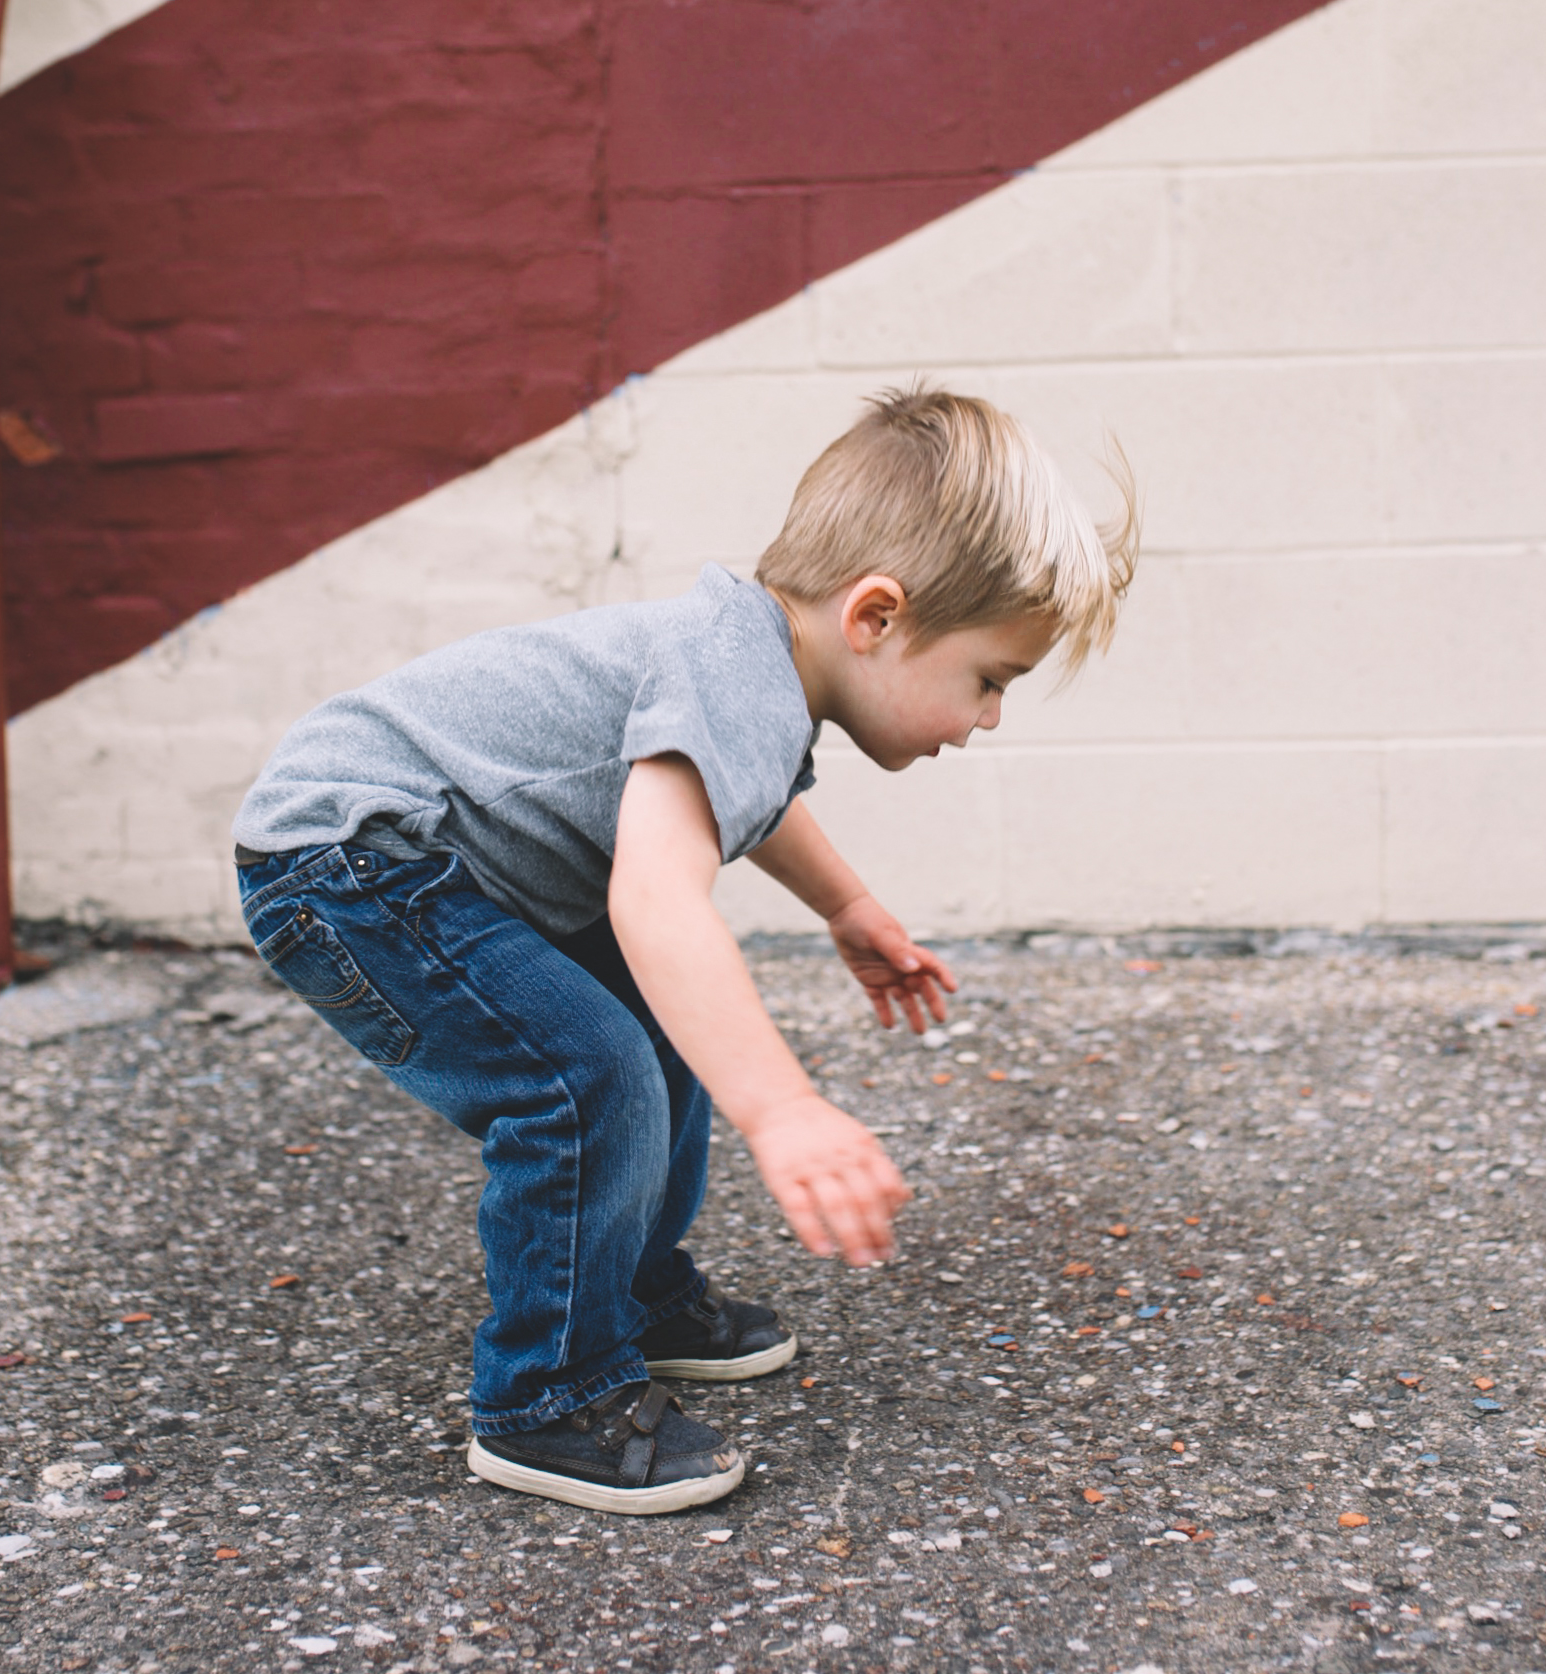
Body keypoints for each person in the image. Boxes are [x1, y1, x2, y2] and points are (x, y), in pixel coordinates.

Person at [232, 387, 1136, 1515]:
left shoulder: (751, 664)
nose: (990, 715)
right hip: (352, 860)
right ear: (877, 617)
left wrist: (847, 907)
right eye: (990, 677)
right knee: (581, 1076)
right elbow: (657, 900)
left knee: (657, 1039)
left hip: (427, 857)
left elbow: (736, 805)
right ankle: (545, 1399)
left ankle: (632, 1295)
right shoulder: (738, 673)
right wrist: (785, 1110)